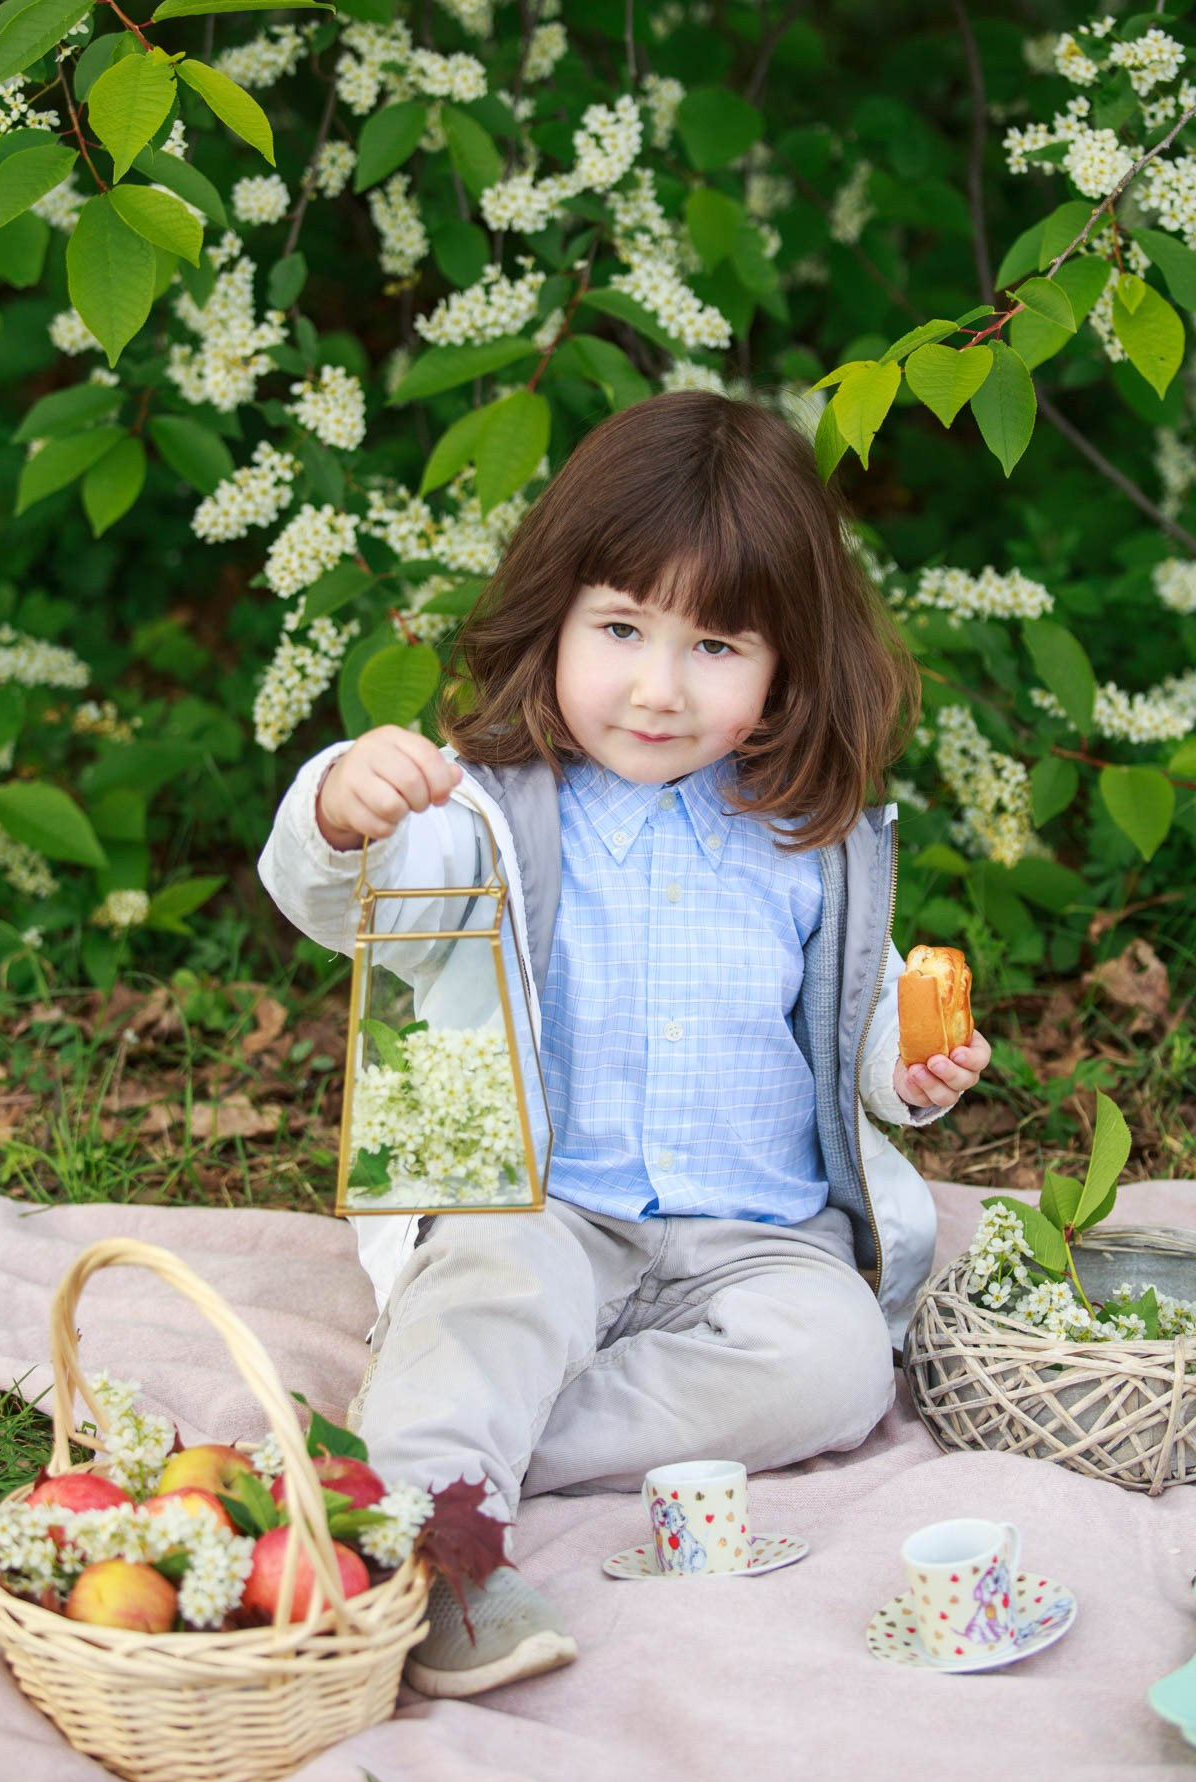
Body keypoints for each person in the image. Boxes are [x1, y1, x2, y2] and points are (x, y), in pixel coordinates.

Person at [259, 389, 991, 1699]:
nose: (657, 688)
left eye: (717, 646)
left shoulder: (804, 839)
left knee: (834, 1368)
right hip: (540, 1202)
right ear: (555, 620)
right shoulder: (475, 808)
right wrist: (342, 804)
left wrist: (907, 1071)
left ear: (784, 671)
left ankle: (451, 1447)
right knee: (494, 1286)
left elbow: (858, 1023)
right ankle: (435, 1551)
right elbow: (345, 901)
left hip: (752, 1237)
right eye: (620, 629)